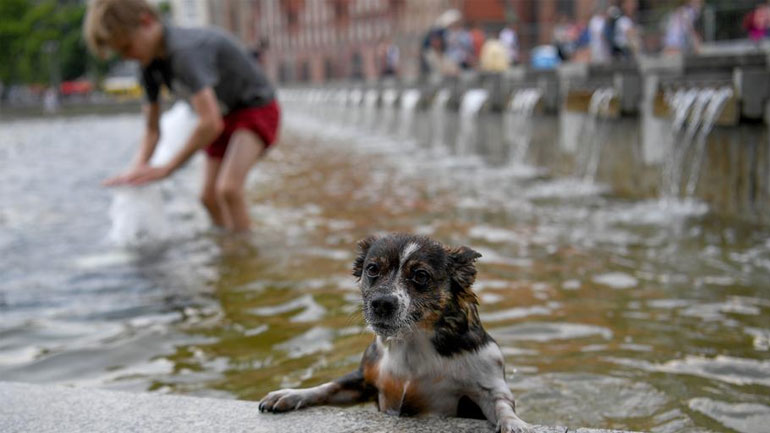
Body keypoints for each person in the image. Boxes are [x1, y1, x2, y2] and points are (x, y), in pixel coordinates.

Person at [83, 0, 280, 233]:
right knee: (208, 197)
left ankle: (245, 250)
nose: (127, 57)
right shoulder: (148, 65)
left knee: (228, 189)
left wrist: (168, 168)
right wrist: (137, 170)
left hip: (256, 108)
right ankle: (228, 246)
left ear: (146, 22)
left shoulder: (184, 51)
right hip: (224, 115)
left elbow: (210, 123)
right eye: (120, 53)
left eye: (127, 47)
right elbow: (152, 130)